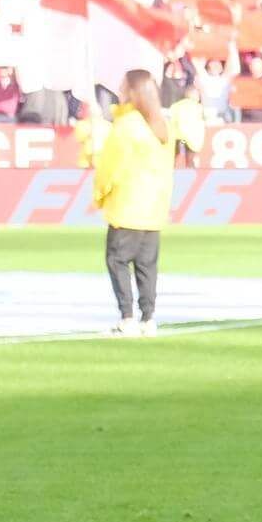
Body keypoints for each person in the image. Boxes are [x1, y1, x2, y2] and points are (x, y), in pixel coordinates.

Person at [89, 70, 172, 337]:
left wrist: (99, 196)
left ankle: (127, 316)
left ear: (133, 93)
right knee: (147, 266)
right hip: (154, 208)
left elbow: (110, 167)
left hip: (128, 205)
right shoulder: (161, 126)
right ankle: (148, 317)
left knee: (117, 260)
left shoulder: (127, 126)